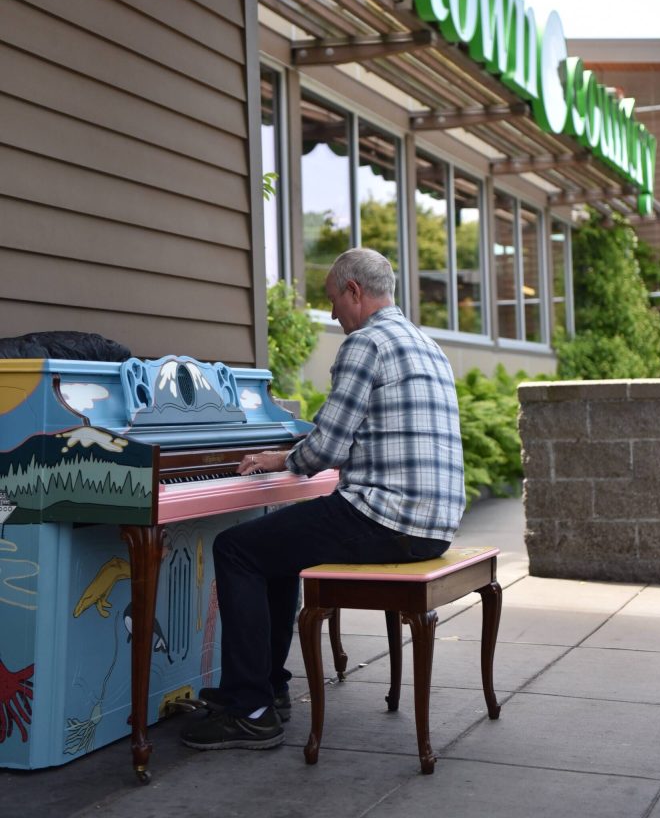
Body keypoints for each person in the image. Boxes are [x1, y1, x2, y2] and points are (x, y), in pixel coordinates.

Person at [181, 248, 465, 751]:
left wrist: (280, 459)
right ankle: (271, 688)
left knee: (236, 549)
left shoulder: (366, 343)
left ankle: (249, 708)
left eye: (334, 300)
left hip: (387, 517)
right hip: (435, 523)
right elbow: (350, 434)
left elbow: (329, 447)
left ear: (355, 291)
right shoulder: (425, 343)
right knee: (279, 548)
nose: (333, 315)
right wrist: (297, 451)